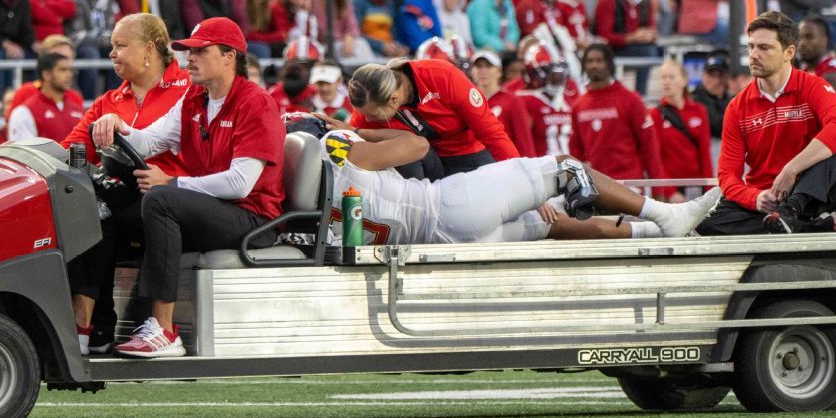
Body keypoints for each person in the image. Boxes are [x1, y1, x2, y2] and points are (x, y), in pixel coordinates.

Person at [89, 17, 285, 358]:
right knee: (111, 208)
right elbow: (149, 141)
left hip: (254, 218)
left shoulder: (256, 102)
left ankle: (164, 330)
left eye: (200, 51)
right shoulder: (195, 98)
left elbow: (241, 184)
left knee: (161, 199)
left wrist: (174, 182)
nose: (188, 59)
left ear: (229, 57)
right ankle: (94, 326)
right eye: (187, 51)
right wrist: (117, 124)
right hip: (215, 211)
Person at [304, 119, 719, 244]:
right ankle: (664, 215)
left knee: (555, 225)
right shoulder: (334, 144)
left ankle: (650, 234)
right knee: (564, 167)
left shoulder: (303, 206)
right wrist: (347, 127)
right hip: (445, 206)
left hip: (436, 241)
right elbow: (416, 146)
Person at [61, 13, 190, 353]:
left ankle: (88, 323)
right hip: (123, 205)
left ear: (149, 48)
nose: (112, 54)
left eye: (120, 46)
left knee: (103, 210)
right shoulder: (109, 101)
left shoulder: (189, 92)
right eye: (111, 48)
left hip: (174, 201)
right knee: (88, 208)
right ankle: (88, 328)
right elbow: (67, 151)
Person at [696, 12, 836, 235]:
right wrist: (756, 198)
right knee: (705, 225)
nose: (753, 55)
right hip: (768, 200)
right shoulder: (737, 107)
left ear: (789, 52)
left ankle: (792, 213)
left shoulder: (812, 86)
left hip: (812, 197)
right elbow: (727, 175)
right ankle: (801, 225)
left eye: (764, 48)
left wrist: (791, 170)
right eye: (751, 47)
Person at [348, 58, 520, 178]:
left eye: (373, 115)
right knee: (407, 147)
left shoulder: (442, 77)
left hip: (471, 154)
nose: (368, 120)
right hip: (433, 162)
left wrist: (523, 178)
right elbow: (355, 137)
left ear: (394, 99)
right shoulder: (372, 98)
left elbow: (492, 134)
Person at [569, 43, 666, 187]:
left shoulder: (631, 100)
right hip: (596, 186)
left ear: (609, 64)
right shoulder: (578, 106)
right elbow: (576, 151)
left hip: (630, 184)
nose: (594, 65)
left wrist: (658, 189)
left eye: (599, 60)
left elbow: (649, 146)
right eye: (589, 61)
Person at [652, 60, 713, 202]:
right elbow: (656, 159)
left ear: (684, 80)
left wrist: (709, 189)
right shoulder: (655, 115)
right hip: (672, 189)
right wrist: (670, 192)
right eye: (663, 77)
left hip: (696, 184)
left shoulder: (699, 111)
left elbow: (705, 154)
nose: (666, 82)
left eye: (671, 77)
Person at [594, 0, 658, 94]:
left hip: (638, 46)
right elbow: (604, 36)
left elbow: (652, 26)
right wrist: (631, 38)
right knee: (648, 53)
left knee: (658, 50)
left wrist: (650, 35)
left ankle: (641, 95)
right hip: (613, 48)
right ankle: (641, 95)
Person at [470, 50, 535, 158]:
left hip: (506, 163)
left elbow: (523, 139)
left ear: (499, 71)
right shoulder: (466, 101)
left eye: (488, 66)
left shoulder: (512, 101)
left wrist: (530, 167)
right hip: (477, 164)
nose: (482, 71)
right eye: (478, 66)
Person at [8, 52, 84, 141]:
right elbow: (24, 153)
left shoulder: (77, 108)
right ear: (46, 75)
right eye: (63, 70)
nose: (69, 75)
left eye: (70, 70)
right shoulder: (24, 112)